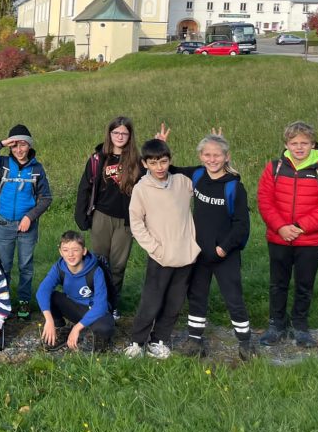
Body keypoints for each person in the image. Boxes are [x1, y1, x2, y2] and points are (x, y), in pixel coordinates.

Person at [171, 134, 255, 360]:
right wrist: (162, 145)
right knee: (197, 296)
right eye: (207, 154)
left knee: (233, 297)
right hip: (199, 252)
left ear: (227, 157)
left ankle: (245, 343)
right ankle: (195, 340)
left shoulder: (234, 187)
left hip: (224, 255)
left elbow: (241, 226)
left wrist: (224, 248)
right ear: (200, 156)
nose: (212, 159)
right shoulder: (197, 174)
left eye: (217, 155)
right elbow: (169, 168)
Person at [257, 121, 318, 349]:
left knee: (304, 284)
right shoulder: (274, 167)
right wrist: (281, 227)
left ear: (313, 144)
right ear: (286, 144)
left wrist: (300, 227)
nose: (299, 147)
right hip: (279, 236)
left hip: (309, 240)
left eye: (304, 143)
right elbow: (265, 200)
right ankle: (276, 325)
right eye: (294, 143)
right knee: (278, 283)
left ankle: (300, 327)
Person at [123, 139, 200, 359]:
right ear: (145, 163)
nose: (160, 168)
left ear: (170, 161)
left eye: (164, 162)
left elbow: (209, 181)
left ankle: (159, 340)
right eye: (154, 163)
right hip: (160, 256)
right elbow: (136, 223)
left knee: (174, 303)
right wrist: (155, 249)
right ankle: (137, 341)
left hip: (185, 254)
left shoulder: (182, 182)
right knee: (151, 302)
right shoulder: (141, 189)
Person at [0, 125, 53, 319]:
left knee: (25, 266)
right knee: (5, 266)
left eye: (23, 144)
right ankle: (4, 300)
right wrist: (2, 143)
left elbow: (46, 198)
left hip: (27, 225)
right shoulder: (2, 163)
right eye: (15, 145)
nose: (19, 150)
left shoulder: (37, 168)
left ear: (30, 146)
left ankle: (24, 300)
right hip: (4, 224)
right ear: (10, 146)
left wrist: (29, 217)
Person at [73, 117, 141, 318]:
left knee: (118, 265)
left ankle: (112, 303)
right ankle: (95, 302)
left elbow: (157, 174)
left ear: (130, 136)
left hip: (126, 220)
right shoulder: (98, 159)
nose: (120, 137)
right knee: (99, 262)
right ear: (110, 134)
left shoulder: (137, 161)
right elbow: (84, 188)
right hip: (102, 216)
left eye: (124, 133)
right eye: (116, 133)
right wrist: (81, 215)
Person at [36, 231, 115, 353]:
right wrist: (49, 319)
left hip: (93, 310)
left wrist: (77, 328)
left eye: (75, 250)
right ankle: (60, 329)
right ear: (60, 252)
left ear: (84, 251)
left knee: (105, 328)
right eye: (66, 250)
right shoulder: (59, 268)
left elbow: (101, 306)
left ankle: (91, 335)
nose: (70, 255)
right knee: (50, 297)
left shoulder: (95, 271)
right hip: (75, 308)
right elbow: (42, 291)